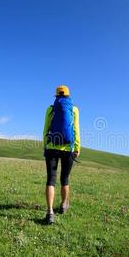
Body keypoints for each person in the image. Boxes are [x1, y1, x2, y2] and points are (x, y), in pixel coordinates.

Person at [43, 85, 81, 224]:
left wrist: (45, 146)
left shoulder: (50, 109)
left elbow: (46, 129)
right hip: (68, 148)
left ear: (56, 96)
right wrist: (77, 147)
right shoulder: (74, 109)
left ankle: (50, 212)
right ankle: (64, 205)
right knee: (65, 178)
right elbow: (76, 129)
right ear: (68, 95)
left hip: (52, 147)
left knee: (51, 180)